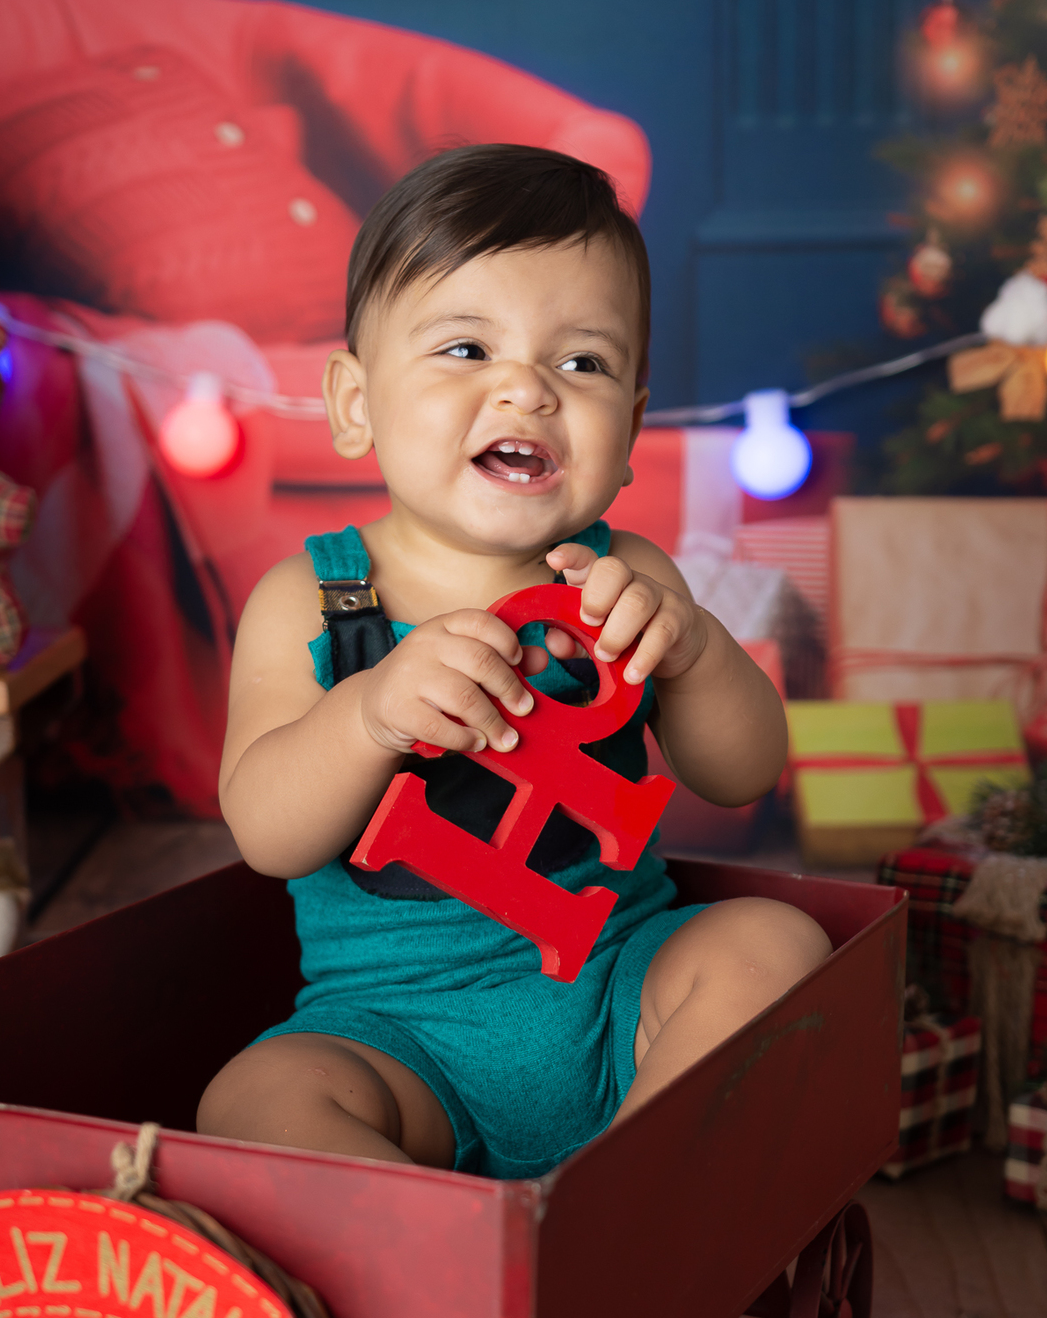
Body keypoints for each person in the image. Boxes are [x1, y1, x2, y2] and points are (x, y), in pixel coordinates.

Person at [199, 144, 829, 1178]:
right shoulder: (312, 599)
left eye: (581, 363)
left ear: (628, 432)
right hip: (398, 1034)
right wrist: (366, 717)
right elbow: (267, 832)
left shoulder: (623, 573)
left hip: (620, 991)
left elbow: (742, 771)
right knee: (255, 1097)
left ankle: (620, 1196)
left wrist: (695, 649)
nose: (527, 392)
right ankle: (437, 1251)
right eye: (464, 350)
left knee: (771, 941)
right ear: (355, 405)